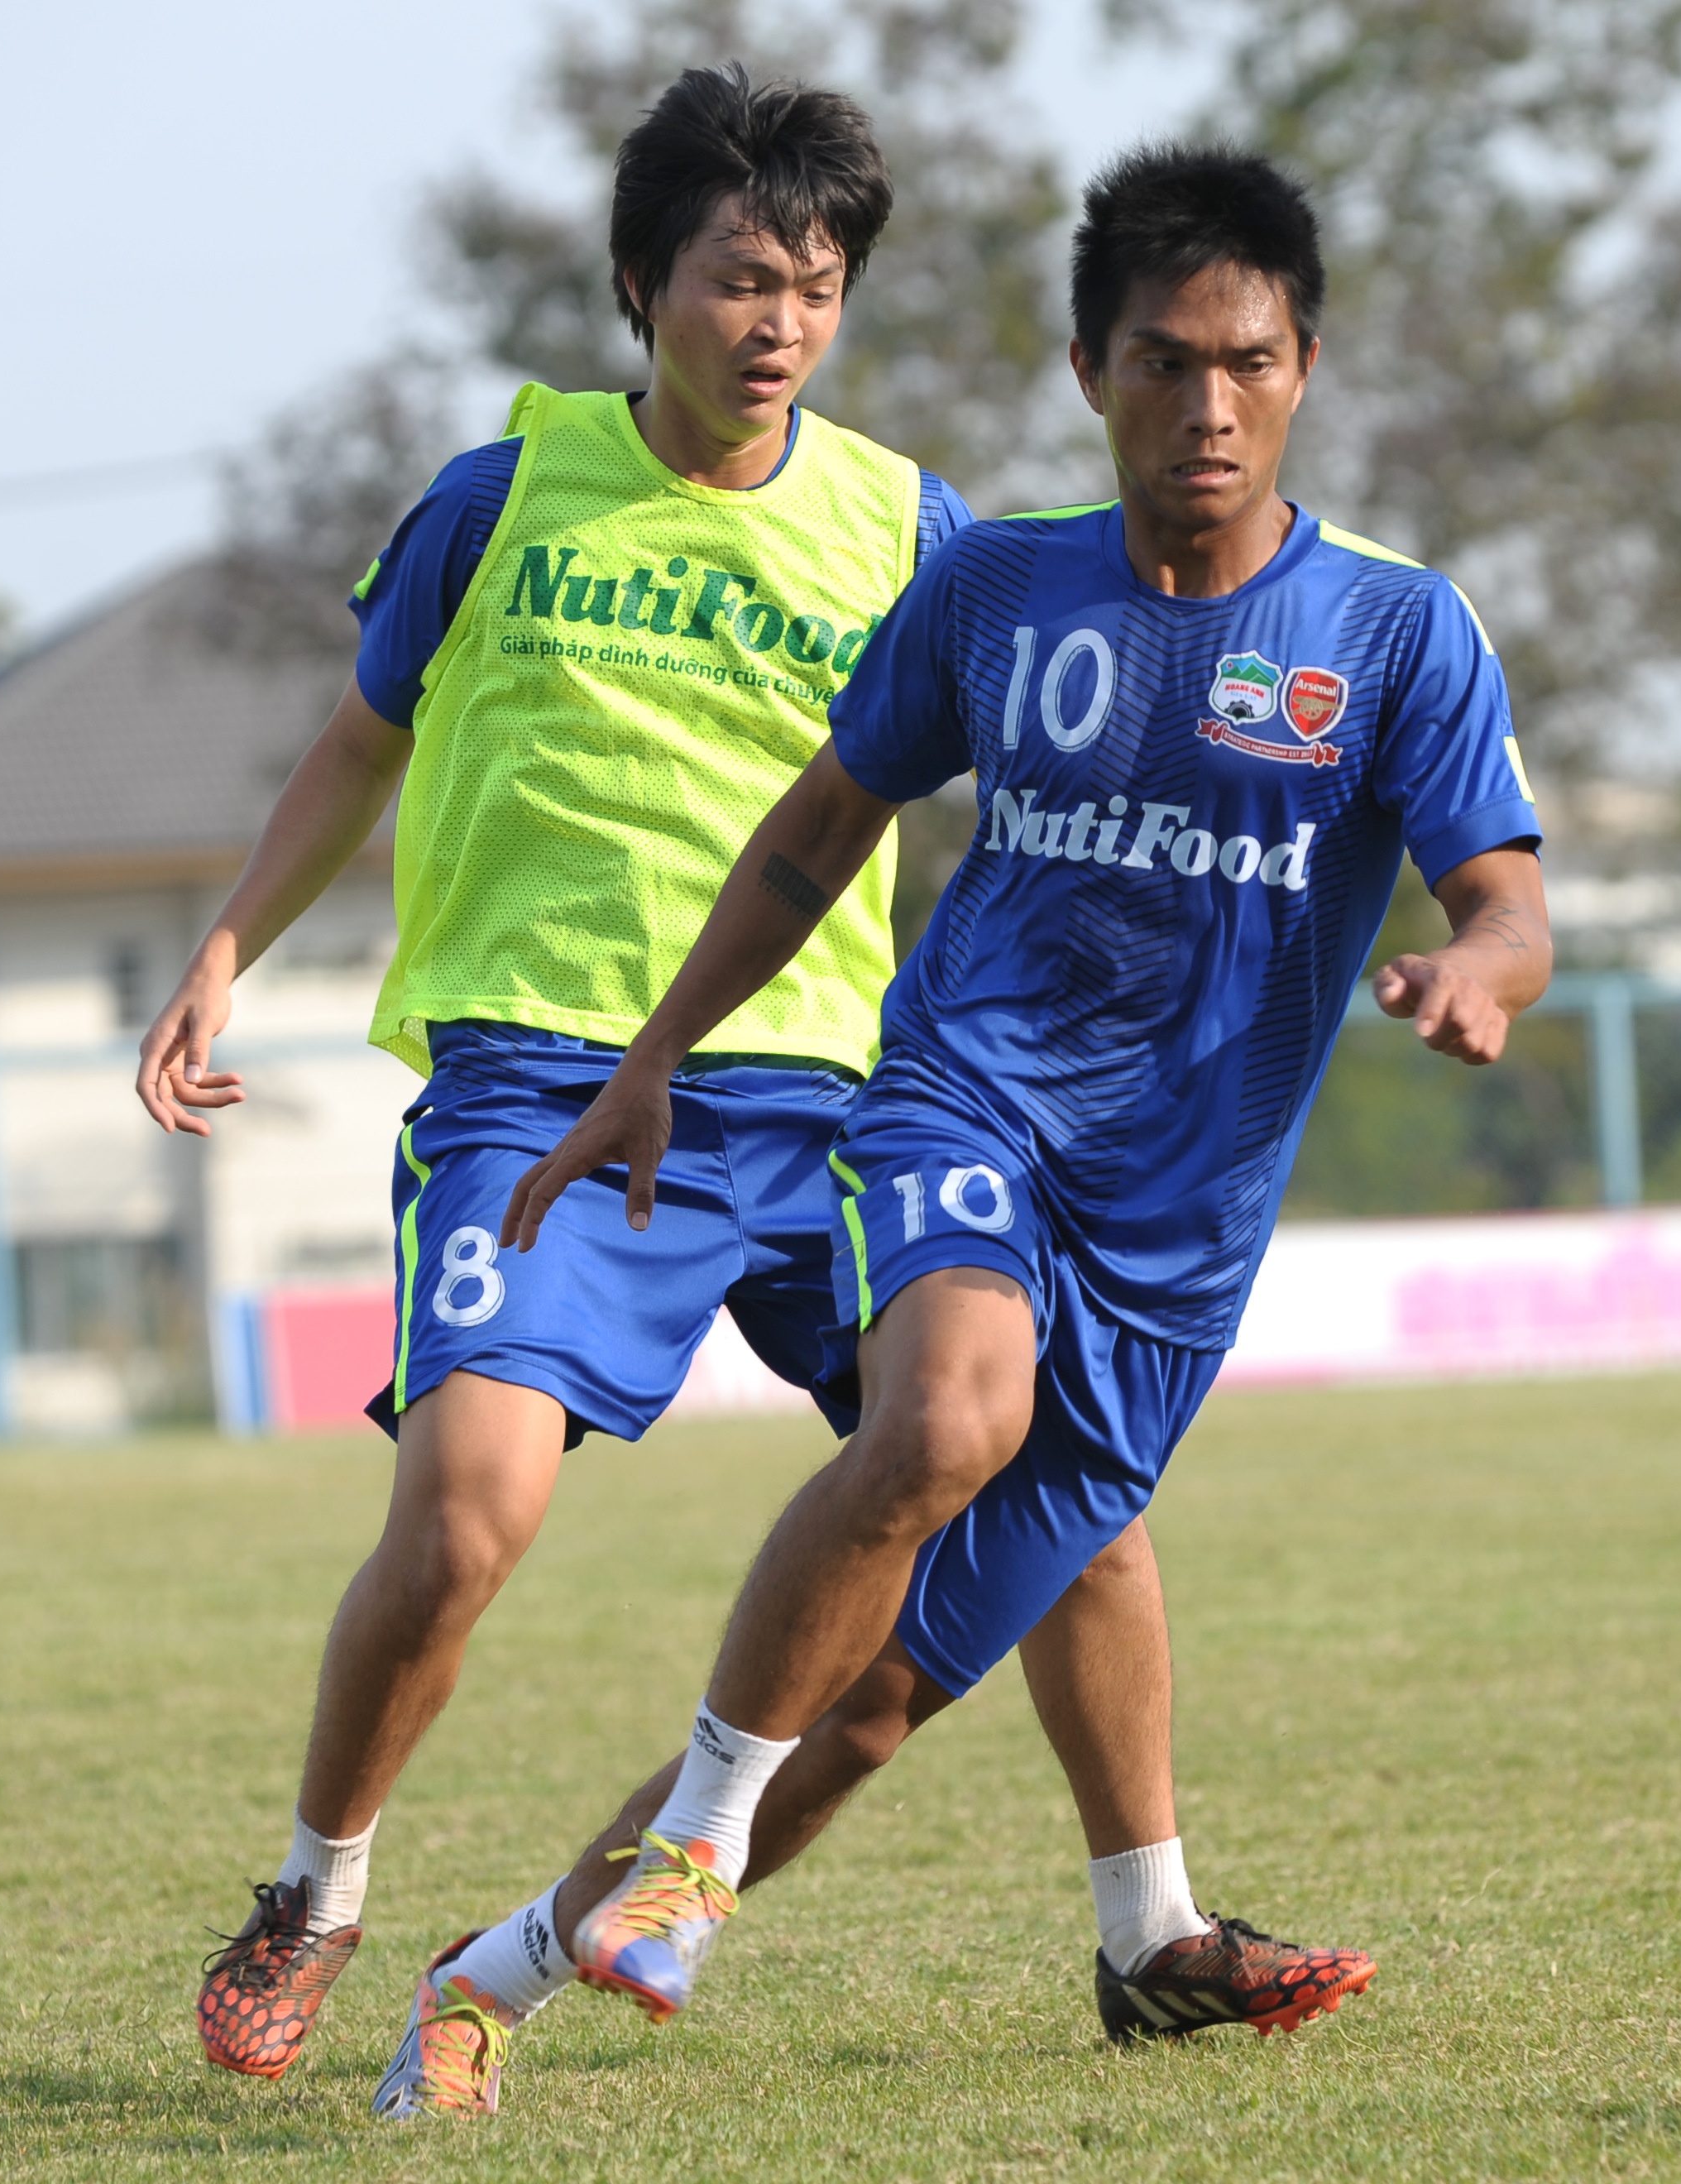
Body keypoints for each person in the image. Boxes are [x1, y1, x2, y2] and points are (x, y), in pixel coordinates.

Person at [139, 67, 1286, 2102]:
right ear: (639, 284)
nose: (779, 324)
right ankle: (314, 1895)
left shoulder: (912, 529)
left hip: (840, 1097)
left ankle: (1150, 1927)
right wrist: (233, 943)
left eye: (817, 288)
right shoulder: (502, 496)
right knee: (463, 1522)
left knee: (1053, 1476)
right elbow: (359, 740)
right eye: (742, 280)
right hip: (544, 1091)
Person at [467, 138, 1551, 2089]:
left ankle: (499, 1974)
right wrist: (651, 1060)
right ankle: (697, 1847)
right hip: (963, 1103)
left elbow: (1508, 899)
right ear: (1086, 371)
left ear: (1303, 369)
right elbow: (816, 829)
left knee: (879, 1703)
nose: (1204, 407)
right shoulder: (991, 587)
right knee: (946, 1419)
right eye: (1160, 363)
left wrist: (1476, 970)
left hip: (1176, 1237)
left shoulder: (1397, 633)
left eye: (1244, 362)